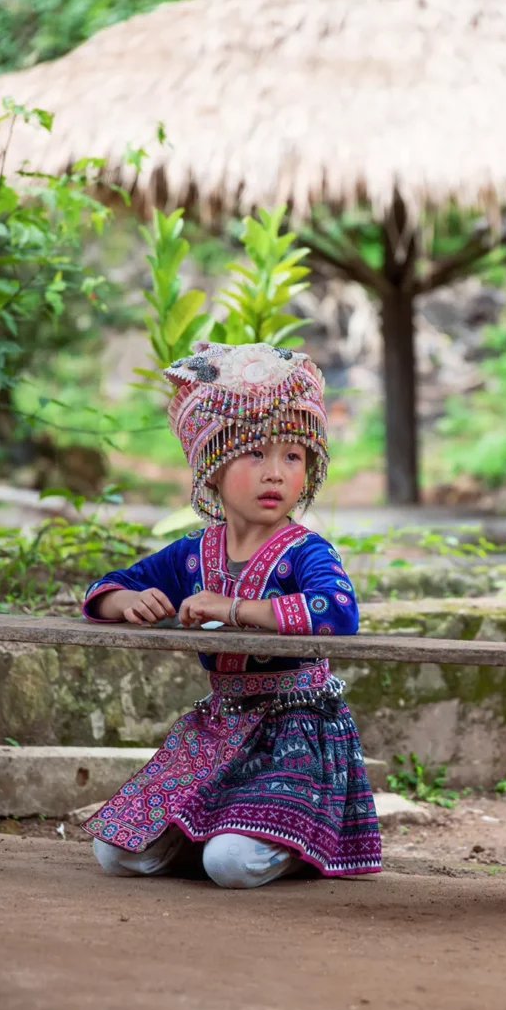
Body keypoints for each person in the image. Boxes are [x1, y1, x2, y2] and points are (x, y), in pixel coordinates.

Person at [81, 341, 382, 888]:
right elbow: (104, 588)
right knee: (115, 854)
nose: (276, 474)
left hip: (297, 732)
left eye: (293, 456)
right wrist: (128, 603)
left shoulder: (307, 551)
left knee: (231, 866)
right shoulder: (192, 554)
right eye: (256, 455)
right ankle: (219, 830)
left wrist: (235, 608)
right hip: (217, 729)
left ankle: (297, 841)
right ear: (213, 469)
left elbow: (338, 612)